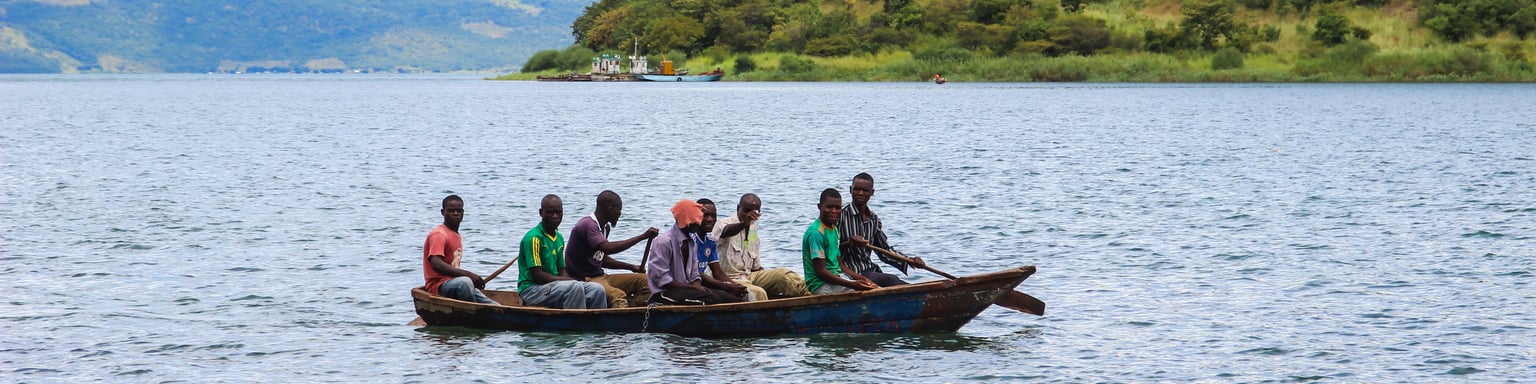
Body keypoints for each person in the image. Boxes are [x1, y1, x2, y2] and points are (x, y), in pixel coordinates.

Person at [565, 190, 658, 308]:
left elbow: (603, 259)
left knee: (647, 281)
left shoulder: (605, 228)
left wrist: (630, 267)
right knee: (617, 295)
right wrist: (642, 237)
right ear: (609, 207)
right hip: (585, 280)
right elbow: (607, 248)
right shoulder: (588, 225)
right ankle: (623, 321)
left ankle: (637, 313)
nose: (619, 214)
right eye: (618, 209)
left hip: (601, 277)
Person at [516, 194, 607, 309]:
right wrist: (569, 281)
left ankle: (597, 324)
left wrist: (568, 280)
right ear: (541, 213)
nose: (555, 216)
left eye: (558, 212)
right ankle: (575, 323)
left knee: (597, 289)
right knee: (574, 286)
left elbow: (561, 270)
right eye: (550, 212)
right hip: (532, 290)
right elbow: (537, 276)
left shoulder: (558, 237)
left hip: (554, 287)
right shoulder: (534, 238)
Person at [713, 193, 810, 300]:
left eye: (754, 212)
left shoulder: (753, 229)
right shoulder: (723, 223)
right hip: (729, 279)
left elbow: (756, 268)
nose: (749, 215)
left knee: (785, 276)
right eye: (746, 211)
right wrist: (743, 224)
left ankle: (814, 298)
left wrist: (769, 278)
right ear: (738, 209)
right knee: (759, 293)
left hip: (749, 276)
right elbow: (725, 232)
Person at [646, 199, 743, 305]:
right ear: (685, 222)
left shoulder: (691, 242)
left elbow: (694, 275)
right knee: (712, 299)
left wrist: (699, 288)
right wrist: (695, 289)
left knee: (730, 297)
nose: (698, 224)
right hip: (664, 293)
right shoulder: (663, 242)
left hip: (685, 290)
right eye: (695, 222)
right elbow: (663, 280)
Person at [838, 172, 925, 287]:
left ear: (872, 193)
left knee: (901, 284)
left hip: (870, 270)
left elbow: (884, 251)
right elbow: (830, 249)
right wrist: (849, 243)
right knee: (891, 280)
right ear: (850, 190)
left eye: (865, 190)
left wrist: (909, 261)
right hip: (849, 273)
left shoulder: (873, 219)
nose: (860, 193)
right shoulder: (840, 216)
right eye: (856, 189)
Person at [421, 195, 498, 304]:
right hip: (439, 286)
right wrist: (469, 275)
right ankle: (472, 313)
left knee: (495, 306)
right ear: (443, 212)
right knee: (466, 282)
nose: (456, 214)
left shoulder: (455, 235)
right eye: (451, 211)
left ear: (463, 213)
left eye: (459, 211)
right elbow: (436, 263)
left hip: (454, 283)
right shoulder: (439, 235)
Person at [804, 188, 878, 295]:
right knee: (867, 293)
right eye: (829, 207)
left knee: (874, 287)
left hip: (836, 279)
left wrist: (863, 279)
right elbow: (821, 272)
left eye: (838, 208)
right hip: (821, 285)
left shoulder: (834, 230)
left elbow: (840, 265)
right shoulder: (816, 233)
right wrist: (853, 285)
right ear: (819, 207)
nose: (834, 211)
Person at [696, 199, 749, 299]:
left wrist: (734, 285)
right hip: (692, 284)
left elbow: (717, 272)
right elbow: (694, 273)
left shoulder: (710, 240)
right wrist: (726, 286)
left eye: (713, 216)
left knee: (741, 294)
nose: (710, 219)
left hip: (703, 282)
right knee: (728, 297)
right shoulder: (691, 240)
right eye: (705, 215)